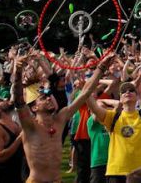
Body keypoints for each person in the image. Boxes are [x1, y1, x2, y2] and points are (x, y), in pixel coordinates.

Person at [11, 54, 113, 183]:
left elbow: (86, 92)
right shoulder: (30, 126)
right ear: (34, 108)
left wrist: (101, 67)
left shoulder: (60, 118)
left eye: (48, 97)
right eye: (43, 98)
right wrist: (18, 72)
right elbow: (18, 101)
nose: (48, 98)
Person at [85, 72, 141, 182]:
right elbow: (94, 107)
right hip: (116, 171)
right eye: (124, 91)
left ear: (136, 96)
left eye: (131, 90)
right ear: (120, 99)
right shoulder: (112, 116)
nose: (127, 92)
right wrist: (87, 88)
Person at [0, 90, 25, 183]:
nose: (5, 99)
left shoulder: (14, 124)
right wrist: (19, 138)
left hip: (16, 172)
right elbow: (1, 156)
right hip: (0, 175)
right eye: (0, 100)